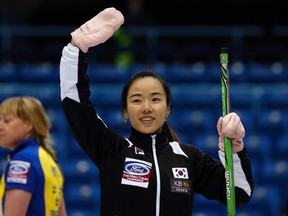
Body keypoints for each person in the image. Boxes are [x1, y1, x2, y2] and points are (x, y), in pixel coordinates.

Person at [59, 7, 254, 215]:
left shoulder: (188, 158)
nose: (146, 107)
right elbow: (75, 105)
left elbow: (239, 192)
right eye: (136, 100)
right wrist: (75, 49)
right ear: (125, 111)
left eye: (155, 99)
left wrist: (234, 148)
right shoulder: (111, 150)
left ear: (167, 108)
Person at [0, 96, 66, 216]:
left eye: (7, 121)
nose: (0, 126)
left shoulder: (22, 161)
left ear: (28, 125)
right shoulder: (48, 158)